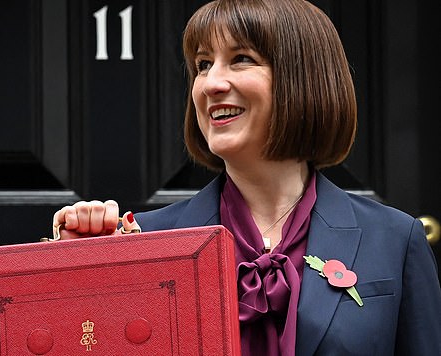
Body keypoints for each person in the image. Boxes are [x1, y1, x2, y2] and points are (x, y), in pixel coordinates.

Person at [52, 0, 441, 354]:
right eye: (203, 65)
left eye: (240, 58)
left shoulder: (395, 239)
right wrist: (78, 277)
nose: (211, 84)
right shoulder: (146, 242)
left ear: (303, 78)